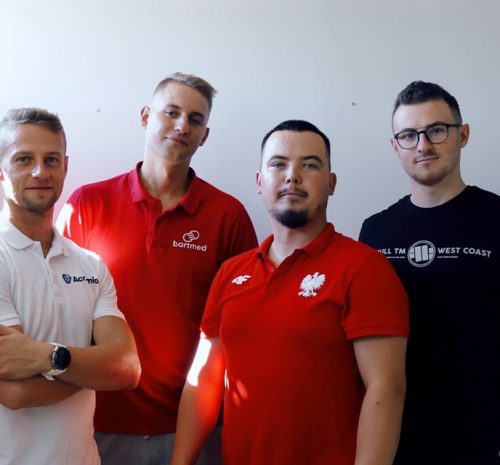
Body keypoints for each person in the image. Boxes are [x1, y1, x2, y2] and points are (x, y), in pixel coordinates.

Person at [170, 120, 409, 465]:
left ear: (331, 183)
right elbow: (205, 380)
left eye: (309, 165)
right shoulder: (230, 273)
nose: (292, 176)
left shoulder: (364, 269)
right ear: (259, 182)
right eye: (278, 164)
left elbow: (386, 389)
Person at [56, 72, 258, 465]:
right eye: (172, 112)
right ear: (146, 116)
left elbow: (244, 329)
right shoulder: (87, 205)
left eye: (195, 120)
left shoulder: (227, 216)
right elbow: (56, 309)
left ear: (205, 135)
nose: (183, 126)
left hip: (194, 427)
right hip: (98, 423)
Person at [359, 81, 500, 465]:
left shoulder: (496, 219)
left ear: (462, 135)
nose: (422, 145)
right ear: (395, 146)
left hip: (480, 438)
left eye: (436, 130)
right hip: (394, 434)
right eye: (408, 135)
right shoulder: (375, 231)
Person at [0, 107, 141, 465]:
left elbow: (127, 368)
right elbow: (16, 392)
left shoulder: (90, 265)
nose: (40, 171)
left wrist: (46, 357)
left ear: (65, 166)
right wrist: (96, 367)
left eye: (51, 159)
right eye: (24, 159)